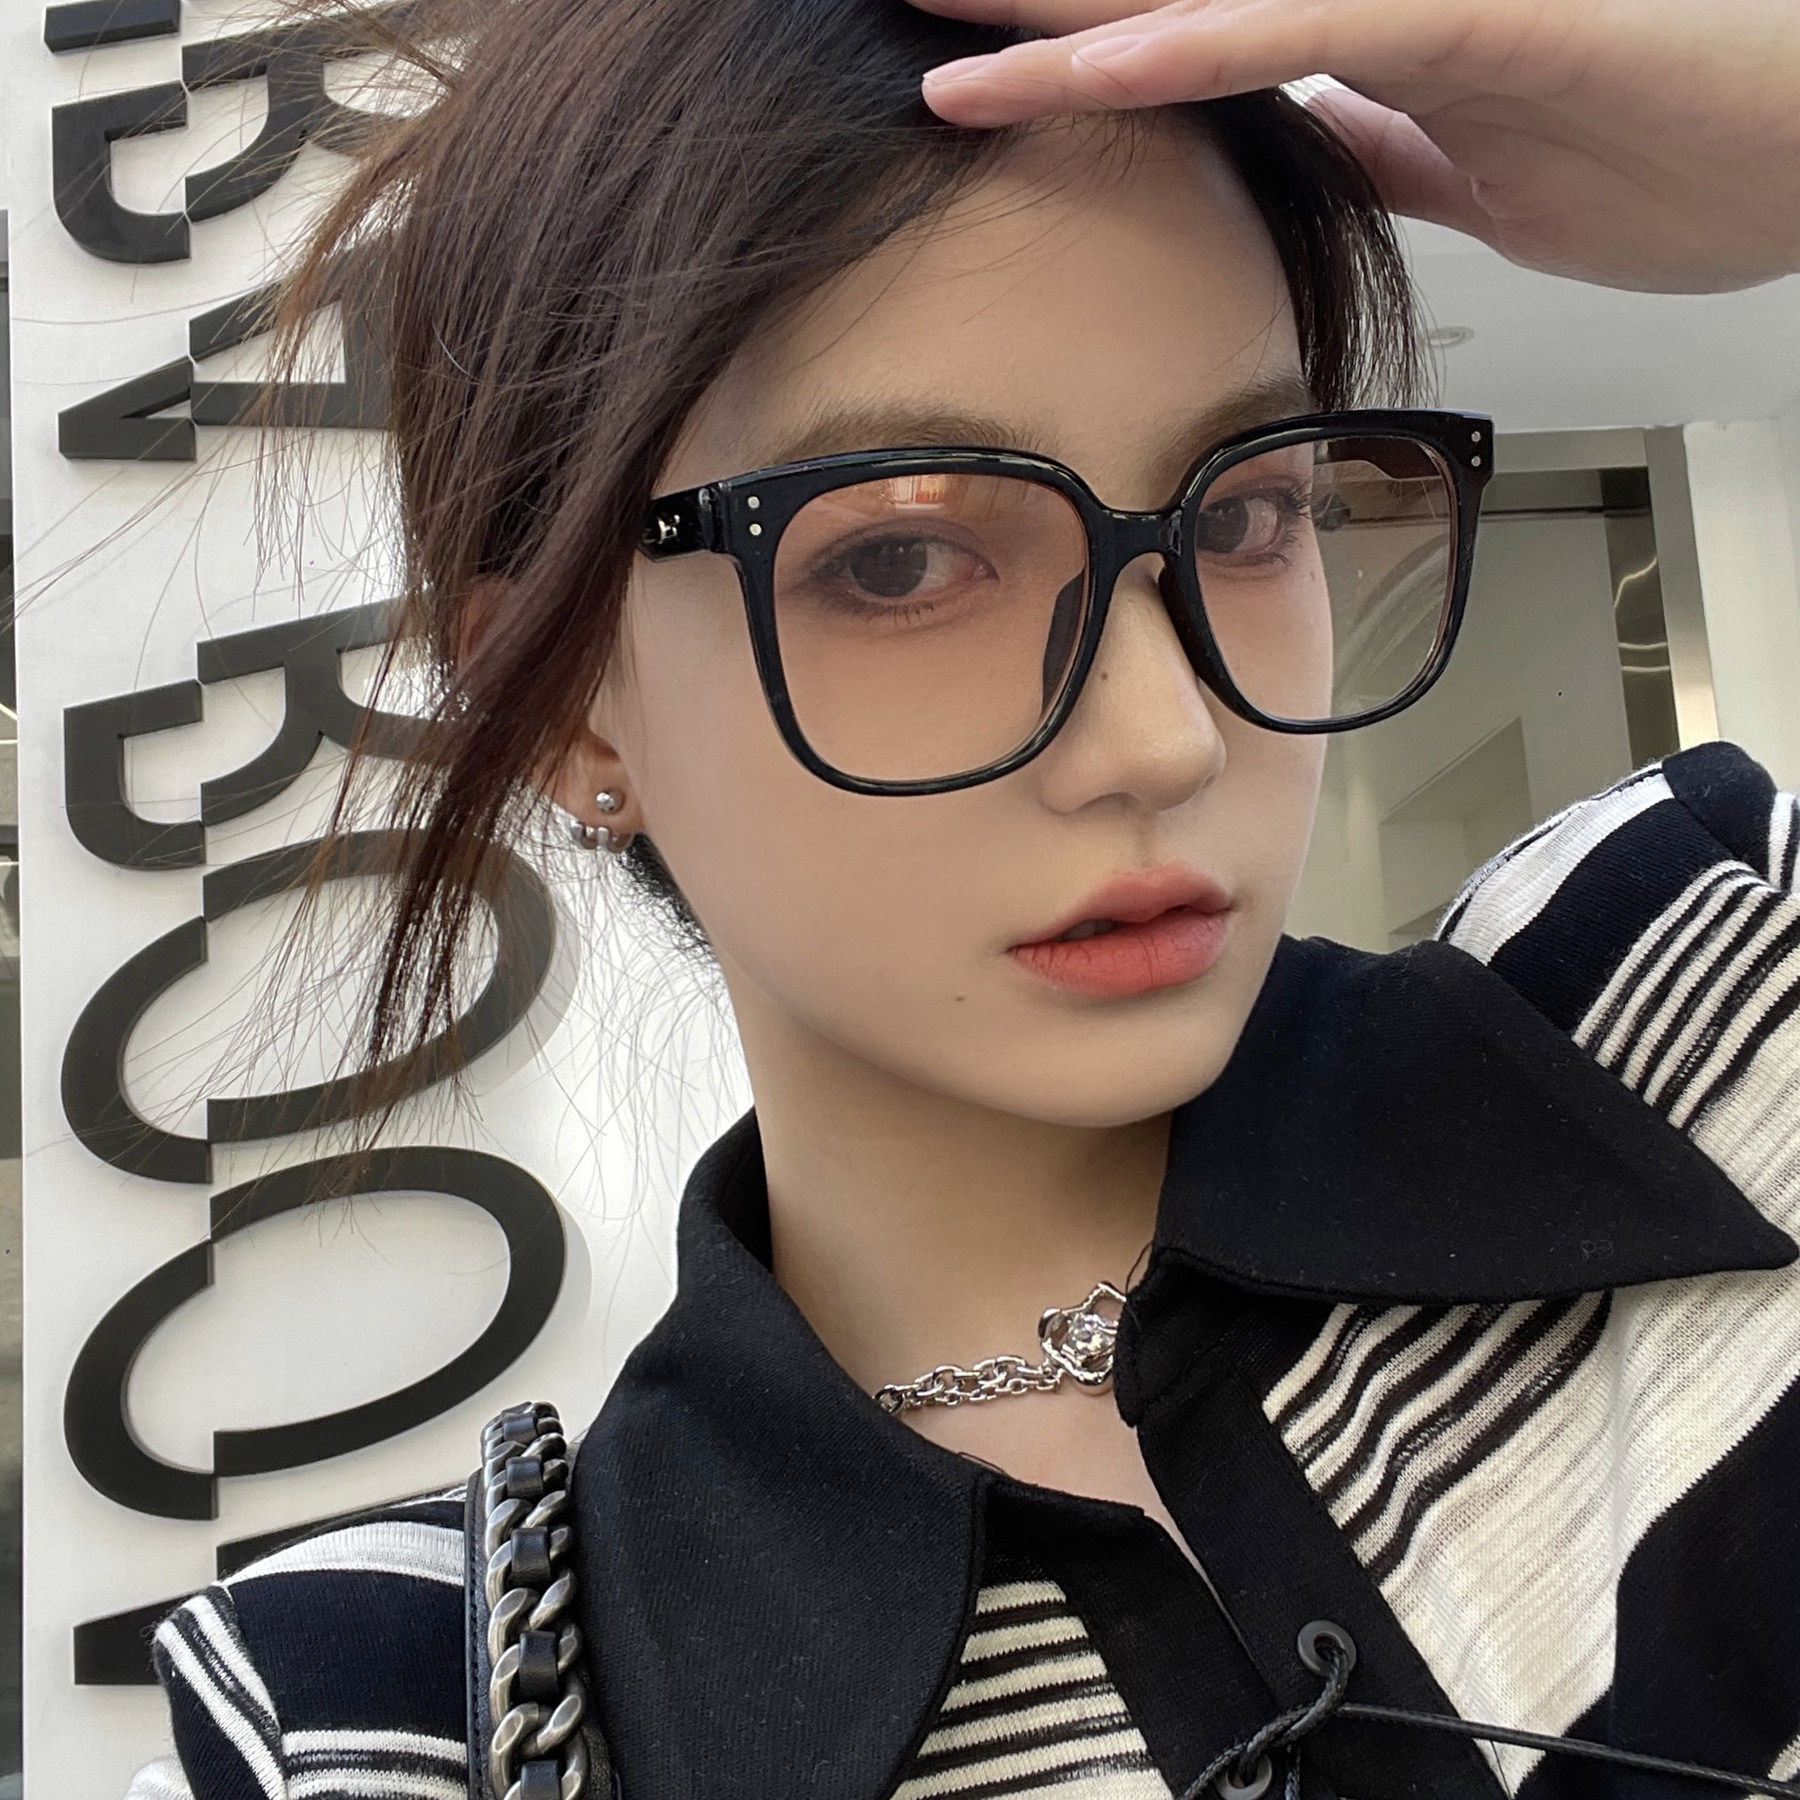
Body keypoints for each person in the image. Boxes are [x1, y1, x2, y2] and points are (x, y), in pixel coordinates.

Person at [126, 0, 1800, 1795]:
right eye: (903, 558)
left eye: (1245, 514)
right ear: (566, 706)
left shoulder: (1711, 991)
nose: (1161, 736)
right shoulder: (395, 1715)